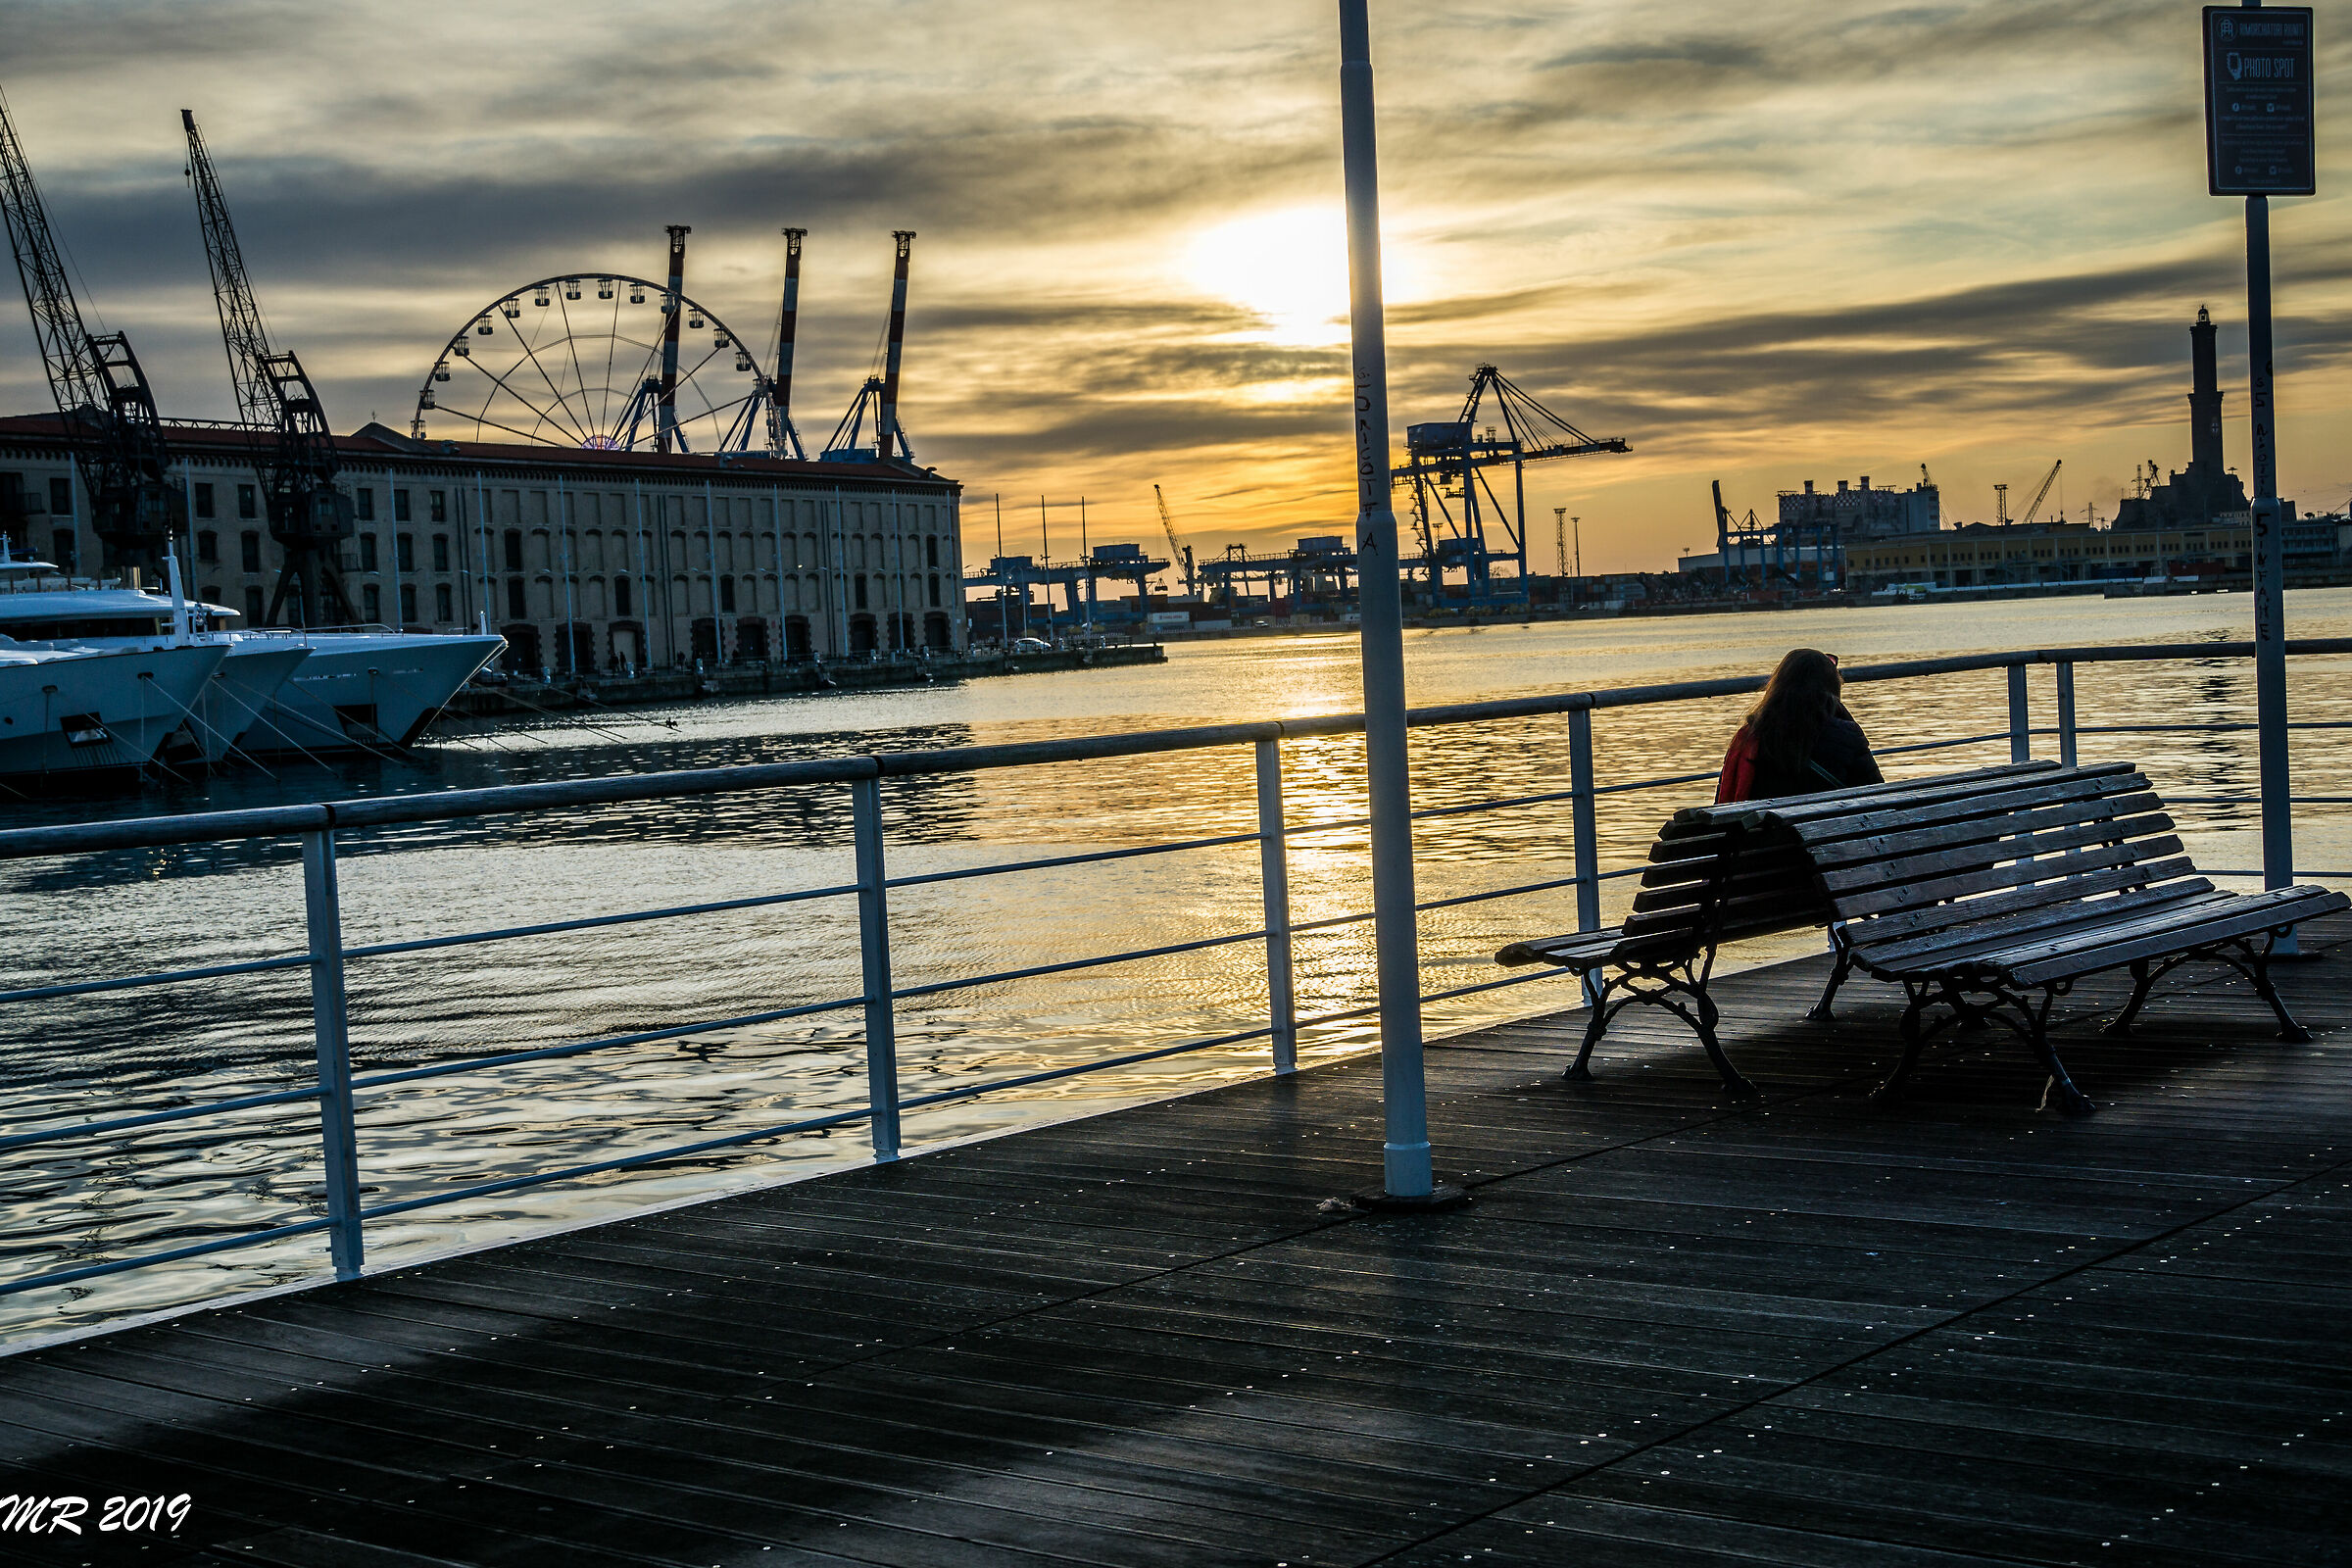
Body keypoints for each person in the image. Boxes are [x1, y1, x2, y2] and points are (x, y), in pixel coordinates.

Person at [1715, 648, 1883, 803]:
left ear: (1777, 685)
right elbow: (1876, 794)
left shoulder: (1749, 738)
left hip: (1761, 833)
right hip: (1831, 831)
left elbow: (1723, 800)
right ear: (1832, 686)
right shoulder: (1848, 735)